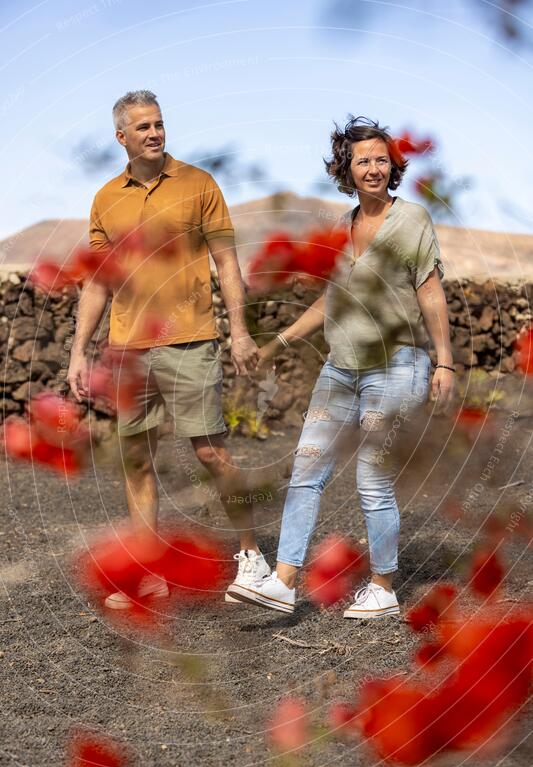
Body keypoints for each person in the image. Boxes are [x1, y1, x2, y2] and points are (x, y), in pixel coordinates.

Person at [227, 116, 455, 618]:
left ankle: (384, 588)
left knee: (372, 480)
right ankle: (284, 581)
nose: (373, 169)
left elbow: (430, 291)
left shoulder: (412, 219)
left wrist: (445, 362)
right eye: (362, 161)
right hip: (339, 371)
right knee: (306, 471)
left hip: (397, 368)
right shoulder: (340, 227)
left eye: (381, 160)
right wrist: (278, 342)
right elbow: (331, 302)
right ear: (346, 170)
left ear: (392, 167)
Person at [67, 90, 270, 609]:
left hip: (192, 340)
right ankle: (147, 572)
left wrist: (240, 331)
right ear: (122, 137)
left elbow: (227, 264)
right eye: (143, 127)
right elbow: (97, 282)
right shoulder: (106, 198)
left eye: (159, 124)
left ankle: (252, 558)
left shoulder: (200, 184)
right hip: (127, 351)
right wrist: (78, 352)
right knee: (137, 458)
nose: (155, 133)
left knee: (211, 451)